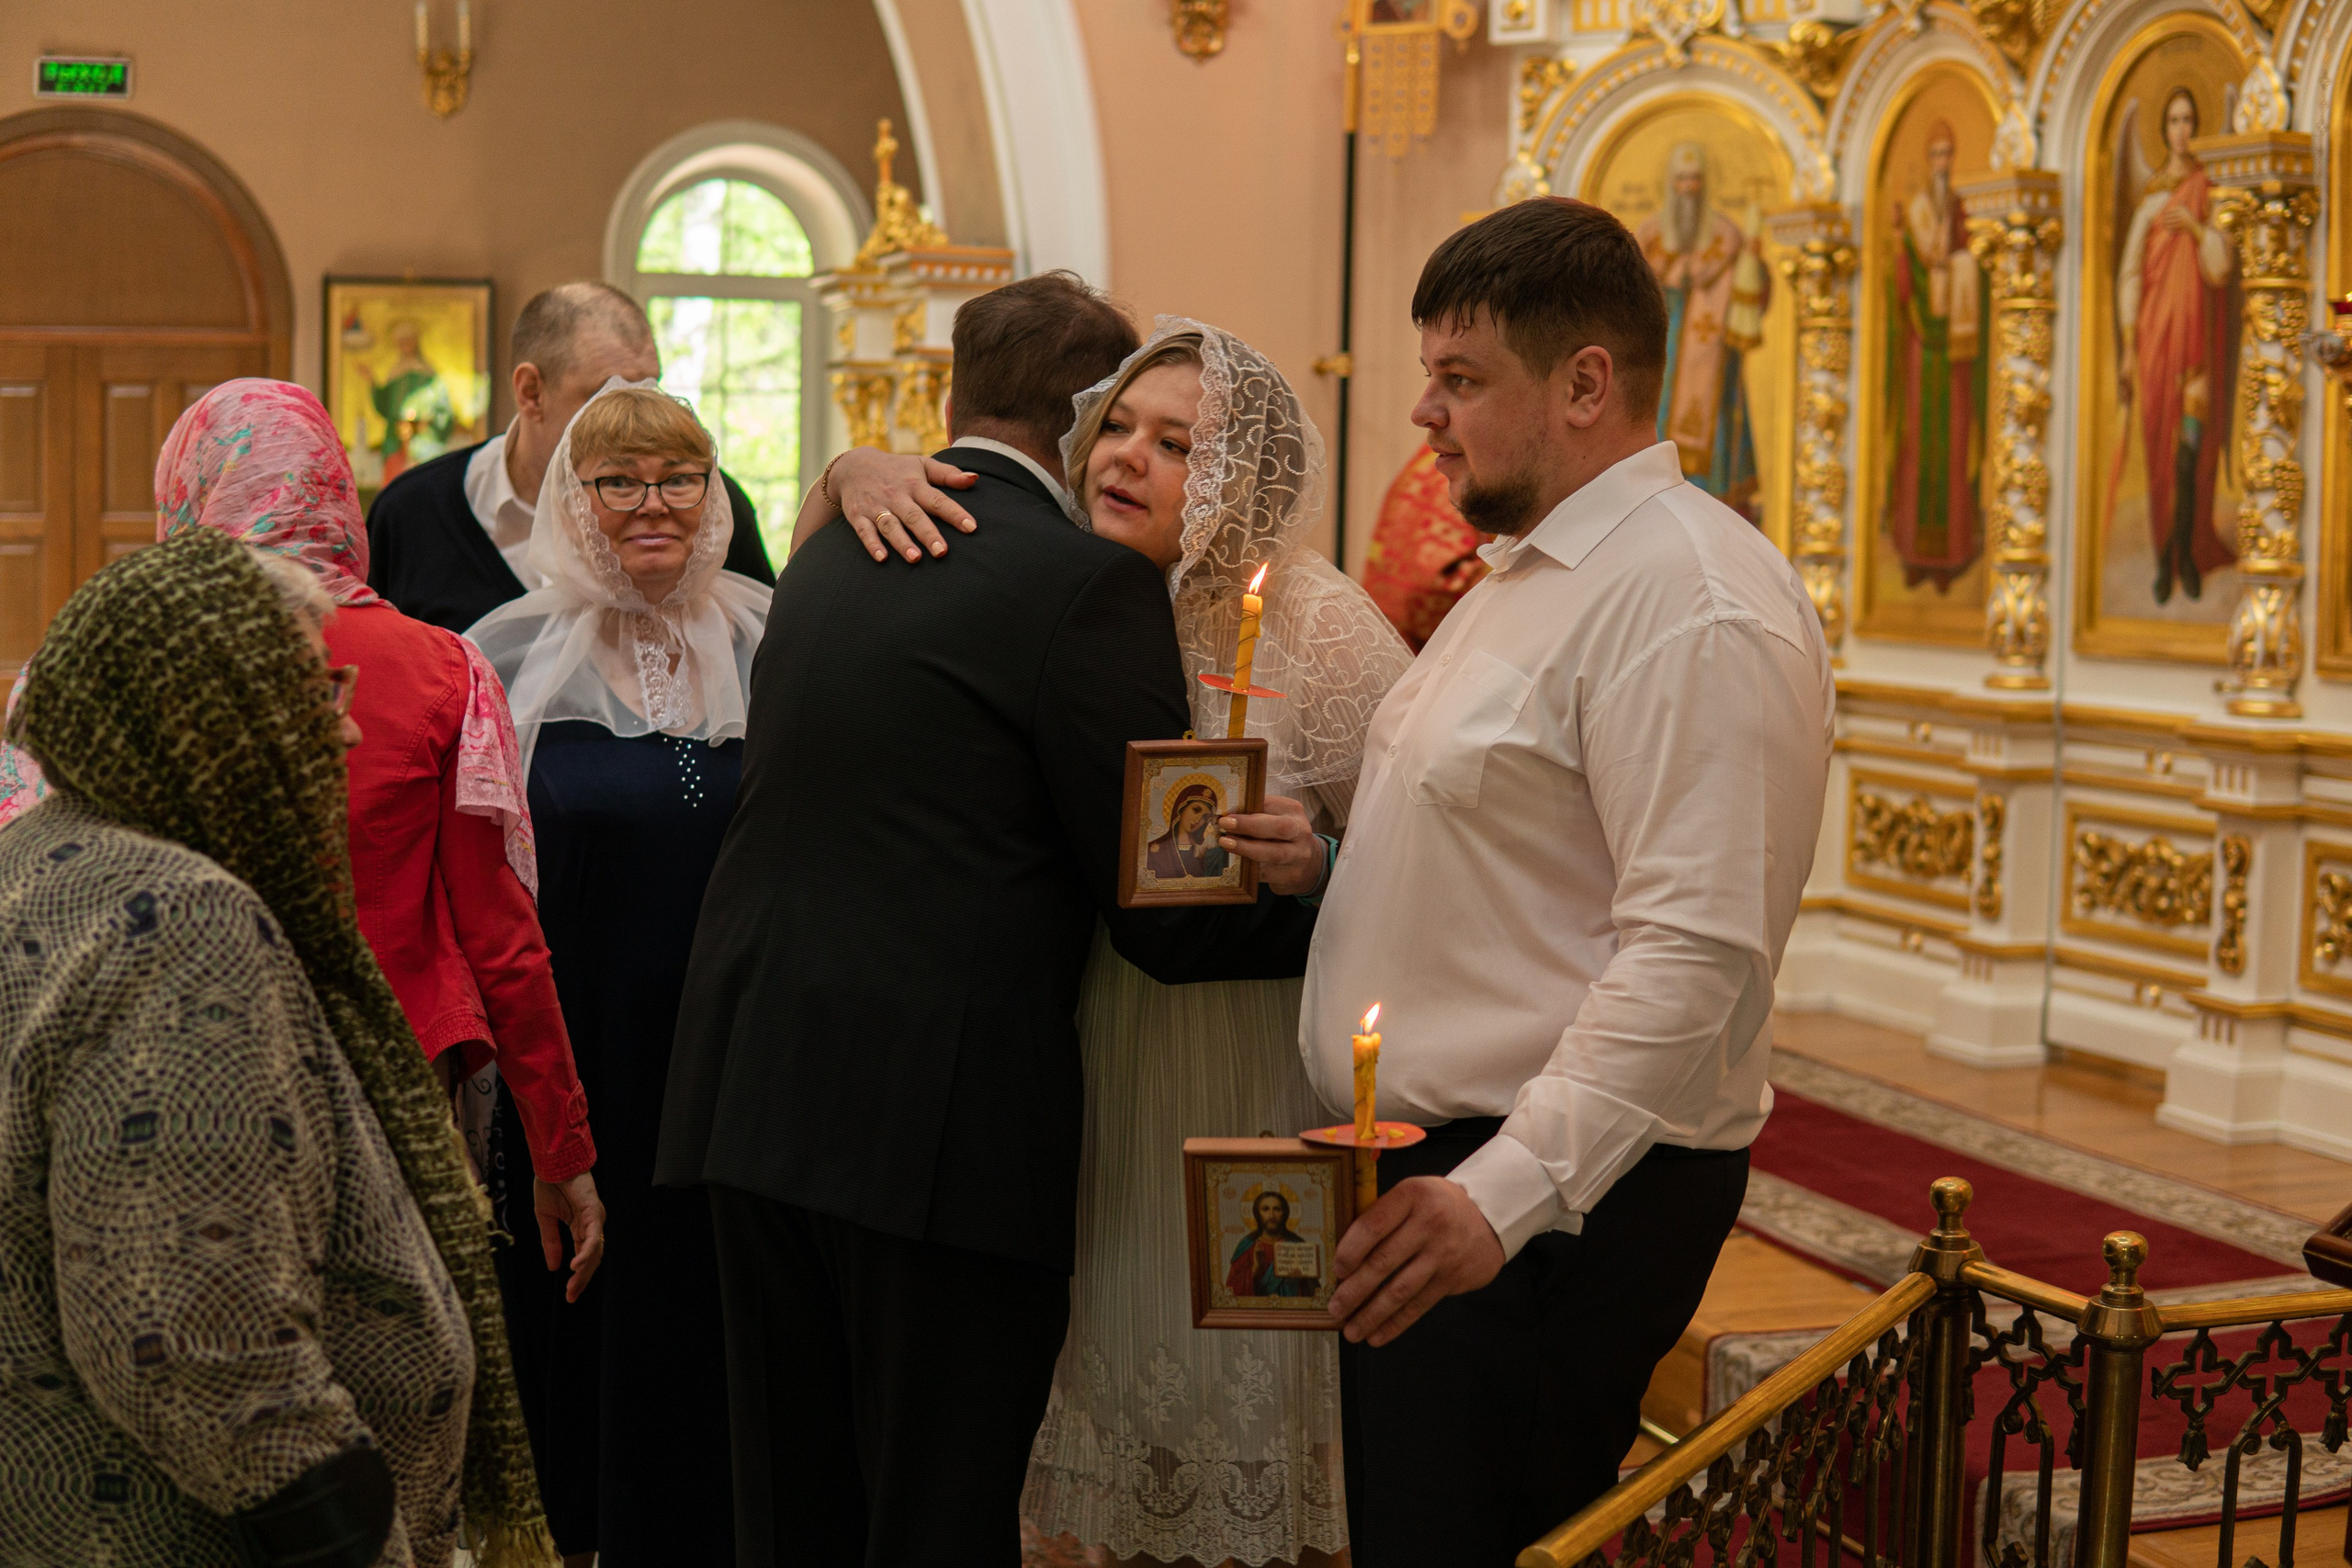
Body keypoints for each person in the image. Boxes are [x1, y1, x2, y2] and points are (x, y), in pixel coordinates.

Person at [657, 278, 1337, 1568]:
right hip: (934, 1130)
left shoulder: (833, 540)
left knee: (790, 1507)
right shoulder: (1085, 587)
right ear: (1083, 420)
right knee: (935, 1514)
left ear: (952, 395)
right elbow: (1164, 910)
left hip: (750, 1087)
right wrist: (1333, 896)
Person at [808, 317, 1413, 1568]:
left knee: (1238, 1389)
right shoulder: (1061, 590)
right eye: (1118, 427)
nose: (1125, 457)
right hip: (1092, 1049)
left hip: (1246, 1063)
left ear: (1244, 475)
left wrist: (1325, 866)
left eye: (1177, 442)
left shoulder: (1325, 627)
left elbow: (1427, 864)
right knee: (1094, 1405)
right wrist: (845, 467)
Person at [1302, 197, 1832, 1565]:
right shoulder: (1527, 575)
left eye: (1461, 378)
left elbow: (1699, 950)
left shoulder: (1694, 599)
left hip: (1553, 1199)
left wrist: (1506, 1191)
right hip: (1452, 1170)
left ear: (1587, 382)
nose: (1425, 412)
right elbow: (1497, 847)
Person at [0, 527, 554, 1568]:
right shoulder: (178, 919)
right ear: (213, 722)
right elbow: (193, 1341)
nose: (343, 733)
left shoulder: (39, 858)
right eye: (313, 690)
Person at [0, 379, 607, 1306]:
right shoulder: (445, 669)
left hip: (163, 1100)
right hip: (391, 1090)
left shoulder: (95, 672)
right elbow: (502, 939)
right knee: (398, 1373)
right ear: (339, 499)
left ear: (190, 490)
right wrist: (560, 1147)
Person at [467, 380, 769, 1567]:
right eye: (620, 481)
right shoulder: (505, 652)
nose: (655, 504)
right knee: (591, 1317)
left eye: (679, 477)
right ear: (572, 502)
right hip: (581, 1047)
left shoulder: (769, 635)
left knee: (714, 1313)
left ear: (714, 492)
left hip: (732, 1043)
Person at [368, 281, 775, 634]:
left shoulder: (708, 509)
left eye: (652, 389)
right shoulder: (410, 514)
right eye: (608, 394)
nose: (641, 419)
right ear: (531, 392)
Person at [2109, 84, 2236, 604]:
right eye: (2173, 121)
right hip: (2157, 343)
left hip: (2196, 348)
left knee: (2188, 453)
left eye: (2189, 120)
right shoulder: (2152, 200)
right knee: (2162, 451)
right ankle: (2170, 553)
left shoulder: (2207, 191)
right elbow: (2130, 278)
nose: (2181, 130)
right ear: (2164, 130)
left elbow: (2222, 266)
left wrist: (2198, 227)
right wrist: (2127, 348)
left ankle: (2182, 554)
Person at [1634, 143, 1770, 522]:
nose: (1688, 189)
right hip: (1658, 366)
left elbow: (1750, 304)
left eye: (1695, 180)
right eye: (1681, 180)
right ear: (1669, 185)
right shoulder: (1648, 238)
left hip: (1711, 372)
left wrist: (1755, 269)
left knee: (1717, 437)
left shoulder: (1726, 237)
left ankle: (1714, 518)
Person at [1883, 120, 1988, 591]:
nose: (1942, 163)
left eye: (1949, 154)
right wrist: (1902, 246)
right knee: (1917, 444)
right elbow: (1904, 281)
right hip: (1921, 347)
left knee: (1952, 444)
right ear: (1928, 161)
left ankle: (1952, 555)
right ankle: (1914, 554)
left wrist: (1960, 266)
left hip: (1955, 353)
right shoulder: (1918, 213)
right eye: (1936, 155)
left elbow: (1976, 266)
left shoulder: (1963, 212)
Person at [1227, 1190, 1317, 1299]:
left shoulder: (1296, 1245)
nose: (1271, 1215)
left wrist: (1300, 1280)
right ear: (1257, 1213)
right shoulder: (1247, 1245)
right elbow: (1231, 1291)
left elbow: (1314, 1293)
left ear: (1285, 1213)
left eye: (1277, 1209)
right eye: (1265, 1209)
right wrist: (1255, 1268)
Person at [1145, 777, 1230, 880]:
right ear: (1181, 808)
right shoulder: (1154, 851)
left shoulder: (1209, 852)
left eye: (1205, 817)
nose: (1198, 820)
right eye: (1196, 810)